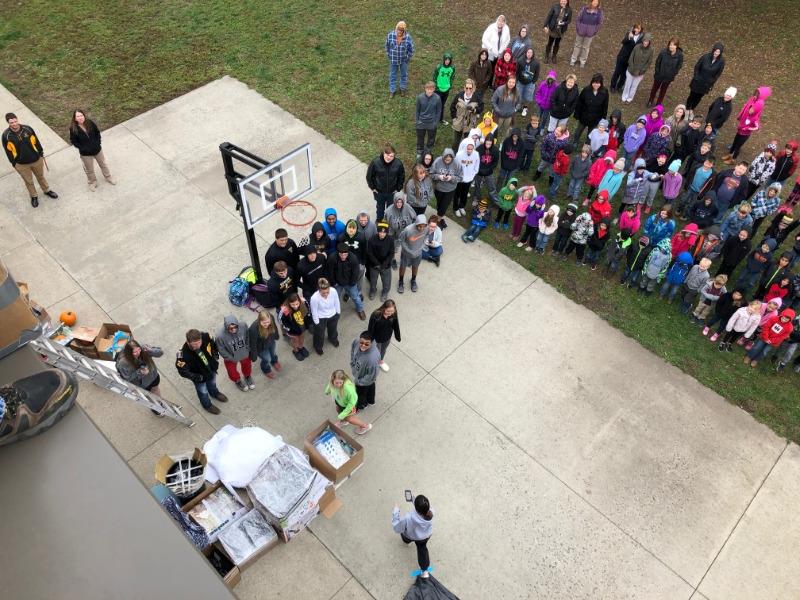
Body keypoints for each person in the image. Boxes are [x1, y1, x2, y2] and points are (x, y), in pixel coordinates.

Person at [2, 113, 58, 208]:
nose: (14, 124)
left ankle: (47, 190)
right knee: (29, 181)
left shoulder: (27, 129)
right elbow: (8, 151)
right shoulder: (6, 135)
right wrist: (14, 163)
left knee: (41, 177)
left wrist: (40, 153)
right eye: (11, 122)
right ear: (8, 123)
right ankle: (34, 196)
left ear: (18, 119)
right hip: (21, 164)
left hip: (36, 160)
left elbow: (36, 141)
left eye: (15, 121)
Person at [175, 329, 228, 414]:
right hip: (200, 377)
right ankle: (207, 405)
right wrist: (196, 377)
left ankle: (215, 393)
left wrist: (215, 354)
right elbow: (182, 371)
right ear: (188, 342)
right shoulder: (182, 355)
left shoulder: (205, 336)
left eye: (199, 342)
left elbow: (213, 344)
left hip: (211, 369)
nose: (198, 345)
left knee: (212, 384)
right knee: (202, 391)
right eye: (195, 344)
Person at [69, 109, 115, 191]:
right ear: (75, 118)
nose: (80, 117)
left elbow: (97, 132)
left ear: (84, 116)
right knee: (89, 169)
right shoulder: (73, 129)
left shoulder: (90, 122)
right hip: (86, 154)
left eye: (81, 115)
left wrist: (98, 143)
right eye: (78, 116)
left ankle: (108, 177)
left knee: (103, 164)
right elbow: (74, 141)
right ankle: (92, 182)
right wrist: (83, 148)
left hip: (97, 150)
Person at [116, 339, 165, 416]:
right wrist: (140, 373)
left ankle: (159, 402)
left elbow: (160, 353)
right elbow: (127, 378)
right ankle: (155, 407)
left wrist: (151, 351)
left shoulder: (143, 348)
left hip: (153, 376)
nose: (138, 353)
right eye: (135, 352)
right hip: (142, 384)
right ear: (129, 353)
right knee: (149, 396)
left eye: (139, 350)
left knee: (155, 389)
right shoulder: (123, 363)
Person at [392, 494, 434, 578]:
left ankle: (406, 542)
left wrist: (396, 510)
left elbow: (397, 527)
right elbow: (422, 508)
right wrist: (413, 499)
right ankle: (425, 571)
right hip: (425, 536)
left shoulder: (409, 518)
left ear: (416, 509)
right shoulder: (431, 512)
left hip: (411, 536)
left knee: (404, 536)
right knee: (422, 551)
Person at [325, 370, 372, 434]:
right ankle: (343, 421)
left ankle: (364, 426)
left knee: (350, 419)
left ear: (343, 381)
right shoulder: (332, 383)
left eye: (340, 383)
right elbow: (330, 385)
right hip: (340, 402)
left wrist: (344, 414)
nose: (338, 385)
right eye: (336, 383)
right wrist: (328, 390)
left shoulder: (348, 389)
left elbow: (352, 403)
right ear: (332, 381)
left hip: (349, 406)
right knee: (338, 409)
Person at [327, 242, 366, 319]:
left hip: (349, 283)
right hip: (337, 283)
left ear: (348, 252)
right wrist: (333, 282)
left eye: (345, 254)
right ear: (338, 252)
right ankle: (335, 312)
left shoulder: (353, 258)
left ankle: (360, 310)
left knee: (355, 297)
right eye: (341, 254)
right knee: (335, 298)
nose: (343, 256)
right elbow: (330, 272)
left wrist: (352, 282)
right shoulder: (332, 258)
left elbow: (356, 272)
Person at [366, 144, 405, 222]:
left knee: (390, 208)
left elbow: (401, 176)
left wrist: (398, 188)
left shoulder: (398, 163)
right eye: (387, 155)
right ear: (383, 153)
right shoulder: (375, 162)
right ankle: (379, 221)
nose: (389, 158)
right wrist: (373, 188)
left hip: (392, 192)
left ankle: (388, 221)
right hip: (379, 192)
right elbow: (369, 176)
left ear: (394, 156)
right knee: (380, 208)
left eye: (391, 156)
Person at [216, 315, 254, 392]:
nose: (233, 329)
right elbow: (221, 349)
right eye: (230, 328)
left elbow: (247, 336)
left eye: (235, 327)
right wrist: (230, 358)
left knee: (247, 366)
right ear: (226, 327)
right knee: (231, 371)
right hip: (231, 357)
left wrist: (247, 348)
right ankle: (237, 381)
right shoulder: (220, 336)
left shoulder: (243, 326)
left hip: (244, 353)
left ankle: (247, 376)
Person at [686, 42, 725, 111]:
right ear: (713, 50)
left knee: (698, 97)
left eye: (718, 52)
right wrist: (696, 77)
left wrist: (711, 82)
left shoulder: (721, 61)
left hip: (706, 84)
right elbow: (697, 67)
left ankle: (692, 109)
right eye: (715, 51)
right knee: (692, 95)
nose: (716, 53)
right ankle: (687, 109)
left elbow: (718, 74)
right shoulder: (705, 57)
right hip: (697, 81)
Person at [431, 148, 463, 228]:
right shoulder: (438, 161)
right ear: (443, 157)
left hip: (450, 190)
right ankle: (440, 219)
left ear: (452, 158)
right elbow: (431, 174)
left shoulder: (457, 164)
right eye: (445, 159)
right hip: (438, 188)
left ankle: (437, 222)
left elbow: (460, 178)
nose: (447, 161)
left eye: (449, 160)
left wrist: (451, 178)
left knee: (444, 206)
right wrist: (439, 176)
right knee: (439, 205)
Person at [384, 191, 417, 268]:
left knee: (407, 247)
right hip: (394, 234)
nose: (399, 204)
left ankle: (407, 260)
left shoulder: (408, 207)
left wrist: (413, 230)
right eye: (397, 202)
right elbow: (385, 224)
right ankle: (393, 260)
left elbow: (415, 218)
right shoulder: (389, 211)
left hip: (406, 233)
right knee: (394, 248)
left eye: (401, 202)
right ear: (394, 201)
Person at [648, 38, 684, 107]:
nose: (671, 46)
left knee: (663, 91)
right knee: (654, 88)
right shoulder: (663, 52)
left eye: (673, 45)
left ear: (676, 46)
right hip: (659, 75)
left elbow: (679, 66)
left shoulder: (680, 55)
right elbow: (658, 62)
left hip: (668, 77)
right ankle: (650, 100)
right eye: (670, 45)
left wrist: (673, 73)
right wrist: (658, 72)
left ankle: (658, 104)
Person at [573, 73, 608, 142]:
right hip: (584, 116)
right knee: (579, 130)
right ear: (592, 82)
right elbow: (579, 102)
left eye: (598, 83)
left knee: (591, 133)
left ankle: (587, 144)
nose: (596, 85)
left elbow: (605, 106)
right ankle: (575, 141)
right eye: (594, 83)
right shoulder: (586, 90)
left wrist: (603, 119)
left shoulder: (605, 92)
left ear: (601, 83)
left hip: (595, 118)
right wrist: (577, 114)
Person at [397, 214, 428, 293]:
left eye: (423, 226)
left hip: (418, 253)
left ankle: (413, 280)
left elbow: (426, 237)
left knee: (415, 266)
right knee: (403, 267)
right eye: (419, 226)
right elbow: (401, 240)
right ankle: (400, 281)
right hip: (406, 253)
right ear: (416, 223)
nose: (421, 228)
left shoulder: (426, 229)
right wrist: (408, 250)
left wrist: (421, 247)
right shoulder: (408, 230)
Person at [450, 79, 484, 150]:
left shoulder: (477, 97)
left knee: (468, 141)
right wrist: (454, 118)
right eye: (467, 88)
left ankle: (465, 154)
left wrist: (474, 110)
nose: (468, 89)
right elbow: (452, 107)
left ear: (473, 88)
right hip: (459, 122)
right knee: (456, 142)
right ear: (464, 87)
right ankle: (453, 155)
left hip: (470, 124)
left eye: (470, 88)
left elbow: (481, 107)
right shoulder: (459, 96)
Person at [350, 331, 381, 409]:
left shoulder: (372, 359)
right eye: (361, 342)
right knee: (370, 387)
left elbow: (372, 376)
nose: (363, 345)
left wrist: (359, 382)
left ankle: (362, 405)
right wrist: (352, 364)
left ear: (372, 343)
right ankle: (371, 401)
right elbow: (352, 352)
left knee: (360, 394)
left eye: (367, 344)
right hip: (361, 376)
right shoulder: (356, 342)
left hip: (363, 381)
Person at [309, 278, 340, 355]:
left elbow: (337, 302)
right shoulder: (314, 298)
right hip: (321, 317)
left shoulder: (333, 291)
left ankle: (332, 338)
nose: (326, 294)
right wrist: (317, 323)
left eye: (327, 292)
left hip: (333, 314)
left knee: (333, 329)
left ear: (329, 288)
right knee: (319, 334)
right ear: (318, 290)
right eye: (323, 293)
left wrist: (338, 313)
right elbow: (314, 311)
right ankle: (318, 346)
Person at [368, 299, 401, 372]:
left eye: (392, 311)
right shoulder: (376, 315)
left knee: (383, 350)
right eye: (388, 311)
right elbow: (371, 327)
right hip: (377, 339)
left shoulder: (393, 314)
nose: (390, 313)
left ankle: (380, 362)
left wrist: (397, 335)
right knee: (376, 352)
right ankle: (374, 364)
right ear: (383, 308)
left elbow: (396, 324)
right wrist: (369, 339)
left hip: (387, 337)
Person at [609, 24, 643, 93]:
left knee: (624, 75)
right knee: (617, 72)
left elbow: (637, 48)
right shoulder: (629, 33)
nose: (636, 30)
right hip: (622, 57)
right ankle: (612, 86)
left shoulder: (641, 38)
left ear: (640, 30)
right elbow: (623, 42)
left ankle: (619, 86)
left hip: (630, 60)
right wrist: (629, 37)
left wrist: (632, 39)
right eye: (635, 28)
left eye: (638, 29)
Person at [621, 32, 653, 104]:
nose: (645, 43)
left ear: (649, 42)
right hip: (631, 70)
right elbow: (631, 57)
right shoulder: (637, 47)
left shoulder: (651, 50)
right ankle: (624, 96)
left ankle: (629, 98)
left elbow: (649, 62)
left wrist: (642, 71)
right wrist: (631, 68)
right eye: (645, 41)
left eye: (647, 41)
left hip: (640, 72)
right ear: (643, 41)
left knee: (634, 86)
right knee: (628, 84)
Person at [570, 0, 604, 68]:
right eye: (594, 1)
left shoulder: (599, 12)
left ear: (598, 3)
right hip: (581, 31)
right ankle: (573, 59)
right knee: (577, 45)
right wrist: (578, 28)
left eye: (596, 2)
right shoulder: (584, 9)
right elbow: (578, 19)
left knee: (586, 47)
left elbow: (599, 23)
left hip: (590, 33)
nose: (595, 3)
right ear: (591, 2)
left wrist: (594, 31)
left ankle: (582, 61)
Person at [248, 310, 281, 378]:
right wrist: (253, 356)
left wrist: (276, 335)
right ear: (259, 321)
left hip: (270, 341)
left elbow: (274, 327)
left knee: (273, 353)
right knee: (267, 359)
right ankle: (266, 369)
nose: (266, 324)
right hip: (261, 347)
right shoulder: (253, 329)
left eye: (268, 322)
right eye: (264, 323)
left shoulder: (271, 317)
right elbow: (253, 344)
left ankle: (274, 362)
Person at [366, 221, 394, 301]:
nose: (382, 234)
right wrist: (377, 264)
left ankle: (385, 292)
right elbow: (370, 253)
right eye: (380, 232)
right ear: (377, 231)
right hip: (374, 265)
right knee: (373, 280)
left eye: (384, 232)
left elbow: (391, 253)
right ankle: (373, 290)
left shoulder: (390, 240)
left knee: (386, 281)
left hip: (386, 265)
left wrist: (384, 264)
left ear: (387, 232)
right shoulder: (372, 239)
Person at [386, 21, 414, 97]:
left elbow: (411, 50)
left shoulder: (408, 37)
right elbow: (387, 46)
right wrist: (389, 55)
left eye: (402, 30)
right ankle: (392, 90)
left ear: (404, 30)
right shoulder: (390, 35)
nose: (400, 31)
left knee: (404, 75)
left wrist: (407, 58)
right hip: (393, 60)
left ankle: (402, 88)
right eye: (399, 29)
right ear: (396, 28)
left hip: (403, 61)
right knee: (392, 75)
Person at [279, 293, 311, 360]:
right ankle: (295, 350)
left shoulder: (303, 302)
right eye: (292, 304)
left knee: (302, 337)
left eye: (297, 304)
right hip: (292, 329)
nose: (295, 306)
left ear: (299, 301)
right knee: (295, 340)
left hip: (302, 326)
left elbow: (308, 311)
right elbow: (282, 321)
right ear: (289, 303)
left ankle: (301, 347)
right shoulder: (285, 310)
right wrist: (289, 329)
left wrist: (308, 323)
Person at [415, 82, 442, 160]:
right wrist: (417, 121)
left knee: (431, 138)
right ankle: (419, 151)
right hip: (421, 123)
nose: (429, 91)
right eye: (428, 89)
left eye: (431, 89)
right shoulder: (420, 97)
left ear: (434, 89)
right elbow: (417, 110)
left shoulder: (437, 98)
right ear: (425, 88)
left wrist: (435, 122)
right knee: (420, 138)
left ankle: (428, 151)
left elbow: (439, 111)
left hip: (432, 123)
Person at [454, 138, 480, 216]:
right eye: (468, 149)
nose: (469, 150)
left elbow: (476, 165)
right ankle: (455, 208)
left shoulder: (476, 154)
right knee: (457, 193)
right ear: (465, 147)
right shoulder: (459, 155)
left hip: (469, 178)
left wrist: (473, 174)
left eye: (471, 149)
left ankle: (461, 206)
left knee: (464, 194)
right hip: (459, 178)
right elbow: (456, 166)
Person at [542, 0, 573, 64]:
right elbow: (549, 16)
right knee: (550, 42)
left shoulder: (569, 10)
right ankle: (547, 56)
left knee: (557, 43)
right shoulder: (555, 7)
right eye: (562, 0)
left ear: (567, 1)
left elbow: (569, 20)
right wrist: (545, 26)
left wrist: (564, 23)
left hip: (561, 30)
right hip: (553, 28)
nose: (563, 2)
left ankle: (554, 56)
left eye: (564, 1)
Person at [491, 76, 520, 141]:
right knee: (495, 130)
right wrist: (497, 110)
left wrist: (514, 110)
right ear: (507, 82)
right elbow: (493, 101)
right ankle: (493, 142)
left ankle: (503, 143)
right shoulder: (500, 90)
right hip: (499, 115)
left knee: (506, 131)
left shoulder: (517, 91)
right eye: (510, 82)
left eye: (513, 82)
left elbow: (519, 103)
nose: (511, 84)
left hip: (509, 116)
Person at [473, 135, 500, 204]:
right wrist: (479, 170)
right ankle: (476, 198)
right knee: (477, 185)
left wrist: (489, 169)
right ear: (485, 142)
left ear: (492, 143)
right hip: (479, 171)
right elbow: (475, 160)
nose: (488, 145)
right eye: (487, 143)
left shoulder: (495, 150)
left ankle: (495, 200)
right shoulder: (479, 149)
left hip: (489, 171)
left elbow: (495, 162)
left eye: (490, 144)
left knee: (491, 186)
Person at [516, 48, 540, 117]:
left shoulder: (536, 63)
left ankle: (525, 108)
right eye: (528, 52)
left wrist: (533, 81)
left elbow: (537, 73)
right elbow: (517, 71)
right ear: (526, 53)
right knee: (518, 95)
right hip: (520, 82)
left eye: (531, 53)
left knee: (528, 98)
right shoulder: (520, 61)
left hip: (530, 83)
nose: (529, 54)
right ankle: (518, 105)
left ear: (533, 54)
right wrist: (517, 80)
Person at [432, 52, 455, 124]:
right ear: (444, 60)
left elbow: (452, 77)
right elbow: (434, 76)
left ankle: (440, 119)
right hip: (438, 89)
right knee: (436, 104)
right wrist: (436, 85)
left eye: (449, 60)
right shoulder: (439, 67)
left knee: (442, 104)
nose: (447, 61)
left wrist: (450, 85)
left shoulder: (452, 68)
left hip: (446, 89)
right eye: (446, 60)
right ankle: (433, 118)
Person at [535, 70, 559, 134]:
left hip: (548, 107)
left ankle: (542, 127)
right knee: (538, 116)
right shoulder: (543, 84)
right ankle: (536, 127)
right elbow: (538, 93)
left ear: (554, 79)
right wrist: (539, 101)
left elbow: (557, 96)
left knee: (545, 118)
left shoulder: (556, 87)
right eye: (549, 78)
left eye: (552, 79)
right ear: (547, 78)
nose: (550, 80)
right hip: (541, 105)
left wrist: (552, 104)